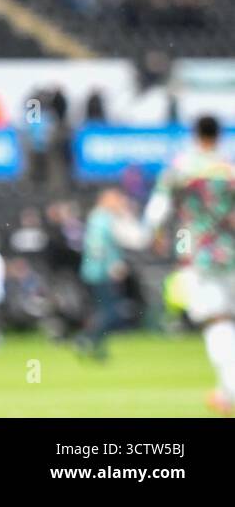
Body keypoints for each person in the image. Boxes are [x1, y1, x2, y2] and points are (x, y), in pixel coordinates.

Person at [144, 116, 235, 415]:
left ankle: (231, 389)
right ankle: (225, 391)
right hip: (232, 251)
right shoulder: (228, 168)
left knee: (217, 323)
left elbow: (157, 209)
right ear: (218, 135)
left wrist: (155, 235)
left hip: (200, 255)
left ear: (196, 134)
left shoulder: (181, 168)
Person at [76, 188, 149, 360]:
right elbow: (100, 246)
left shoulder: (99, 217)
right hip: (101, 273)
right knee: (110, 311)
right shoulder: (103, 219)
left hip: (96, 272)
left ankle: (96, 346)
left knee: (104, 310)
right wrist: (112, 266)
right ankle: (86, 339)